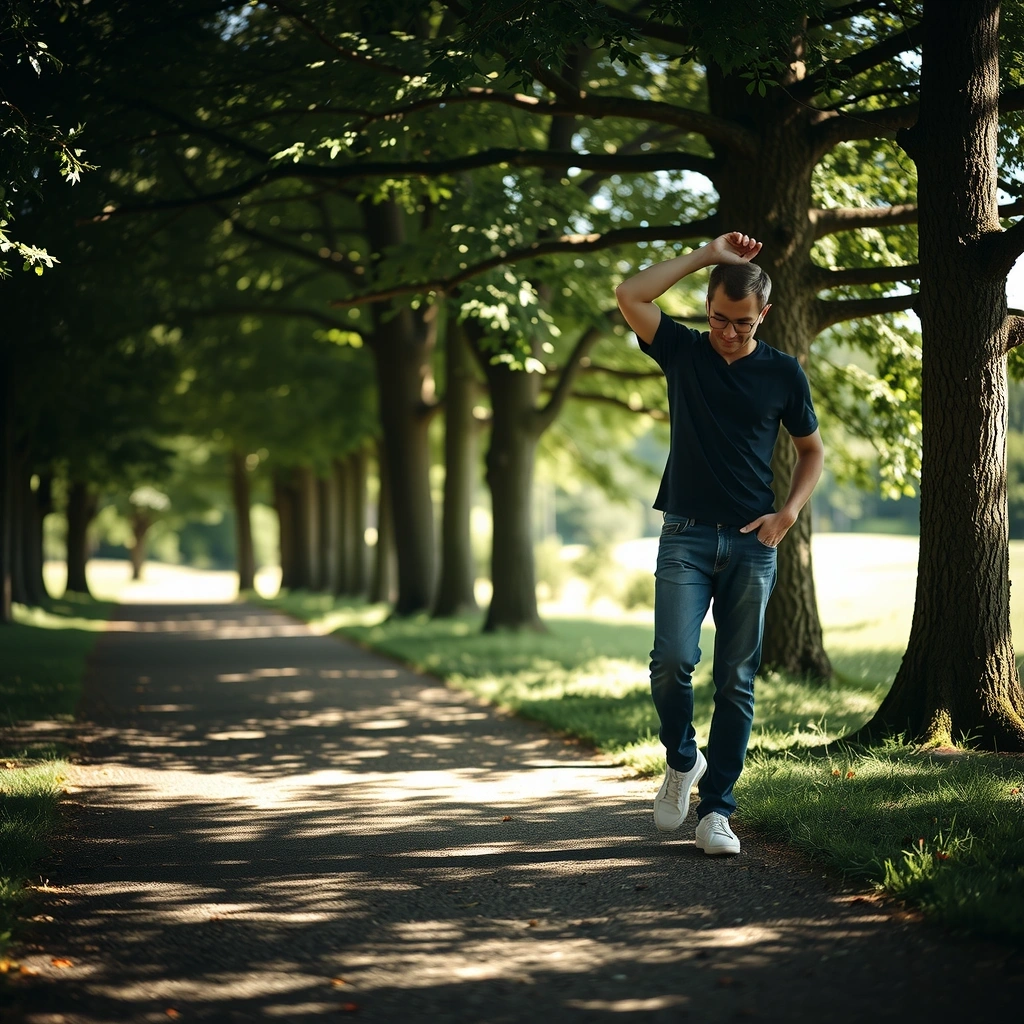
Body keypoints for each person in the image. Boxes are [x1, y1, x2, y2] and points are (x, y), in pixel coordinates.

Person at [614, 231, 824, 855]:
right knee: (672, 661)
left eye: (740, 322)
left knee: (736, 678)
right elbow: (630, 292)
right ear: (706, 309)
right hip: (684, 534)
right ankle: (683, 760)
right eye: (717, 318)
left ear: (763, 314)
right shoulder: (682, 350)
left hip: (754, 543)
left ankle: (717, 813)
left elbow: (810, 451)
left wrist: (787, 513)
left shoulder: (783, 372)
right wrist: (707, 256)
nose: (727, 332)